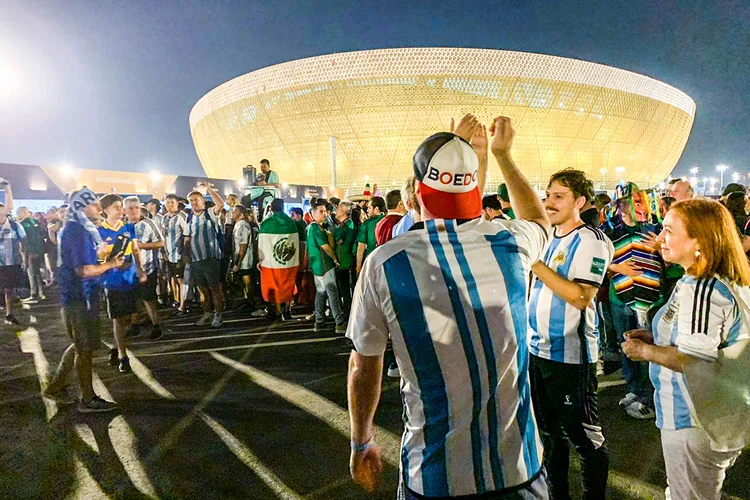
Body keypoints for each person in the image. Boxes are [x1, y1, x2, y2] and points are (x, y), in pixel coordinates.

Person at [347, 114, 551, 498]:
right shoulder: (511, 244)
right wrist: (503, 156)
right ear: (474, 189)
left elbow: (363, 365)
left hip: (435, 475)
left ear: (417, 193)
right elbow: (538, 219)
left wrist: (362, 440)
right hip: (518, 470)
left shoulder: (386, 264)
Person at [622, 198, 750, 500]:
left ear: (700, 241)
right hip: (708, 416)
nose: (661, 238)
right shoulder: (703, 279)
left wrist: (645, 352)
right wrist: (655, 337)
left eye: (669, 230)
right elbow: (704, 338)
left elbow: (693, 358)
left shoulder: (702, 288)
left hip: (693, 418)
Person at [527, 169, 613, 499]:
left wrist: (536, 264)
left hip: (570, 357)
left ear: (579, 201)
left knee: (584, 437)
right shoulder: (548, 236)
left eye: (559, 196)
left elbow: (581, 296)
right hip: (538, 352)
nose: (549, 202)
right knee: (549, 435)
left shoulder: (591, 241)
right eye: (547, 195)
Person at [44, 188, 123, 412]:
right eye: (94, 204)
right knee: (84, 349)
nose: (99, 208)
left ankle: (56, 386)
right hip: (79, 298)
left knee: (81, 345)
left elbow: (84, 260)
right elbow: (83, 270)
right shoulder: (77, 230)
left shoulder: (77, 229)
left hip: (79, 297)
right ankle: (88, 399)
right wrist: (111, 264)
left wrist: (103, 255)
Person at [605, 183, 663, 419]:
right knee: (625, 344)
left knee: (650, 348)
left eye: (641, 201)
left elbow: (672, 259)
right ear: (621, 205)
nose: (638, 206)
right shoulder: (609, 231)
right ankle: (634, 389)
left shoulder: (655, 228)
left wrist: (660, 246)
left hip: (650, 298)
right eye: (633, 202)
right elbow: (596, 260)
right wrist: (617, 266)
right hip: (620, 297)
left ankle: (650, 395)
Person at [98, 194, 147, 373]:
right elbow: (96, 258)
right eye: (117, 207)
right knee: (119, 318)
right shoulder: (99, 231)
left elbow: (135, 250)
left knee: (127, 317)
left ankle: (114, 346)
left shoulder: (128, 228)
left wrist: (140, 270)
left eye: (121, 207)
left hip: (130, 278)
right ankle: (123, 356)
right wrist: (105, 257)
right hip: (112, 281)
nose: (121, 210)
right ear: (106, 210)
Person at [185, 183, 226, 328]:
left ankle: (218, 314)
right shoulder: (189, 218)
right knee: (202, 289)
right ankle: (207, 313)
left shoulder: (210, 213)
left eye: (196, 199)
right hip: (196, 259)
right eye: (191, 201)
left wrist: (209, 189)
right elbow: (187, 238)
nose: (194, 203)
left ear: (202, 200)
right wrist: (186, 256)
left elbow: (220, 204)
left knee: (215, 288)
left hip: (210, 258)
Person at [125, 196, 164, 340]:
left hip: (147, 268)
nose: (134, 211)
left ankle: (156, 325)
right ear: (125, 210)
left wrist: (141, 246)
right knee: (133, 299)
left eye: (136, 207)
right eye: (131, 208)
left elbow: (161, 242)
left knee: (149, 299)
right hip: (129, 270)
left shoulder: (148, 223)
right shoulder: (123, 225)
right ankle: (134, 326)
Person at [307, 198, 345, 333]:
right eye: (321, 211)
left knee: (321, 293)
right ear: (314, 213)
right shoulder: (316, 228)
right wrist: (335, 259)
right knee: (332, 293)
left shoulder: (312, 228)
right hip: (325, 266)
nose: (325, 214)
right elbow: (325, 247)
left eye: (325, 211)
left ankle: (319, 320)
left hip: (317, 267)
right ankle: (339, 322)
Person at [258, 198, 300, 320]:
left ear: (271, 208)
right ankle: (287, 310)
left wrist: (260, 260)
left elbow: (261, 244)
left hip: (271, 263)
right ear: (282, 207)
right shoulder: (291, 222)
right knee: (288, 284)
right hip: (289, 262)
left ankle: (277, 311)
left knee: (275, 286)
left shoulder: (266, 223)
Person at [0, 180, 25, 325]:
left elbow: (24, 243)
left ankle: (9, 314)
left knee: (9, 290)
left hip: (10, 263)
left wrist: (8, 187)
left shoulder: (15, 226)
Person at [162, 194, 189, 316]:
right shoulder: (165, 218)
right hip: (169, 255)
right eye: (167, 202)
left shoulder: (182, 217)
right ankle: (177, 301)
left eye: (172, 202)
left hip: (179, 255)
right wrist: (163, 251)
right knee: (174, 280)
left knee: (181, 280)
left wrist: (185, 253)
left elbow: (187, 236)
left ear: (177, 203)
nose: (169, 205)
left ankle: (183, 306)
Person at [17, 206, 46, 302]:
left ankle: (34, 294)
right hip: (38, 251)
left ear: (23, 213)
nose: (18, 215)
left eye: (19, 213)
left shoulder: (22, 225)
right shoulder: (35, 222)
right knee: (37, 273)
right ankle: (42, 293)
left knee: (31, 273)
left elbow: (24, 242)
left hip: (29, 252)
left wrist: (24, 256)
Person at [230, 205, 256, 311]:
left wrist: (238, 262)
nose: (232, 214)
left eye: (234, 212)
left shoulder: (242, 225)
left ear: (241, 214)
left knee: (247, 280)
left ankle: (251, 302)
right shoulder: (238, 225)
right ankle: (246, 300)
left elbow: (243, 245)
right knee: (243, 281)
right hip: (240, 258)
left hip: (245, 260)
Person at [334, 200, 356, 315]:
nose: (335, 211)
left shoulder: (348, 225)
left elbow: (342, 241)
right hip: (340, 262)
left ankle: (348, 312)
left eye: (338, 209)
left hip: (345, 263)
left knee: (346, 289)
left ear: (343, 211)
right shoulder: (343, 225)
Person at [355, 196, 385, 275]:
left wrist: (358, 267)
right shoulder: (388, 220)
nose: (367, 210)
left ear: (376, 209)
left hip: (372, 260)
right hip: (387, 259)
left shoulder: (367, 224)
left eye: (369, 208)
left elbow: (361, 247)